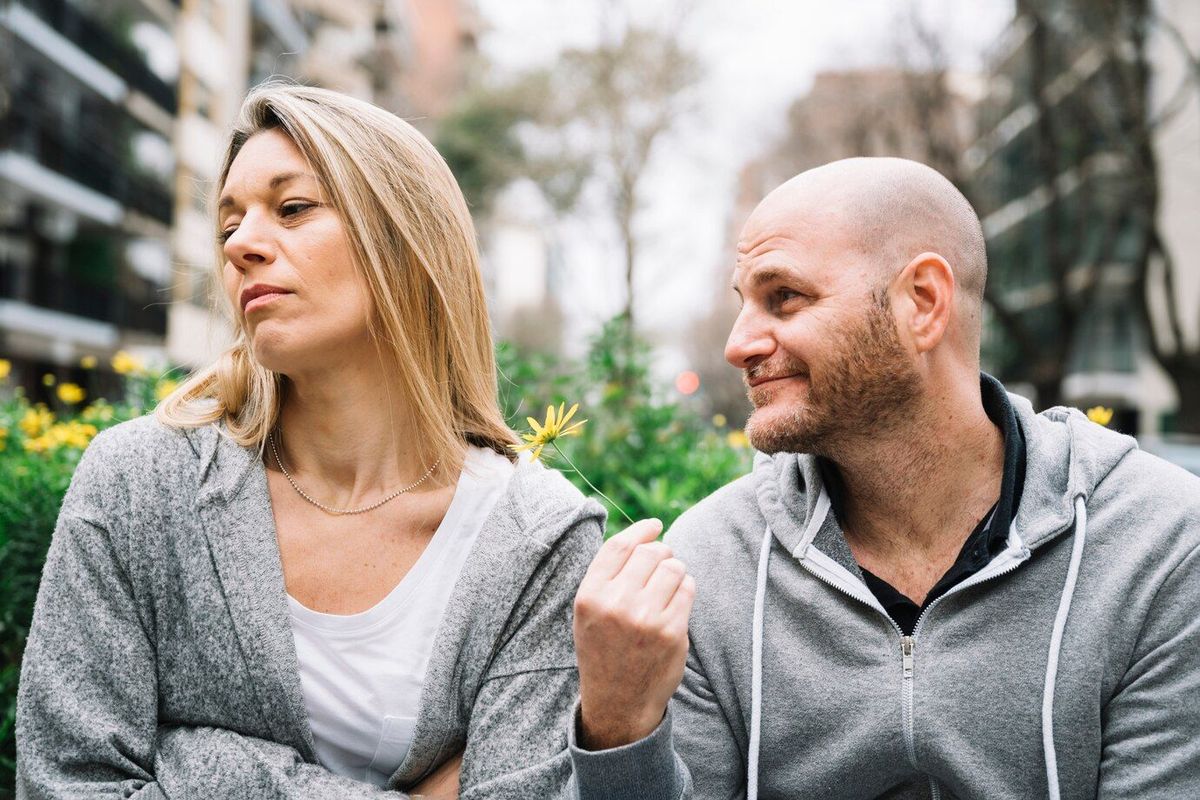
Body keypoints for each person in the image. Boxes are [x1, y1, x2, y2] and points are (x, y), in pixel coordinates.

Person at [16, 84, 605, 799]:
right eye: (228, 224)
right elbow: (67, 784)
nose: (240, 245)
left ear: (406, 240)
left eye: (292, 209)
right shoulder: (140, 481)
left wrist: (194, 767)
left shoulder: (537, 538)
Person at [569, 157, 1200, 798]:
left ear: (922, 303)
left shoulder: (1158, 543)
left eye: (783, 297)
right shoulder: (709, 559)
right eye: (744, 304)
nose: (738, 344)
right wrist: (619, 732)